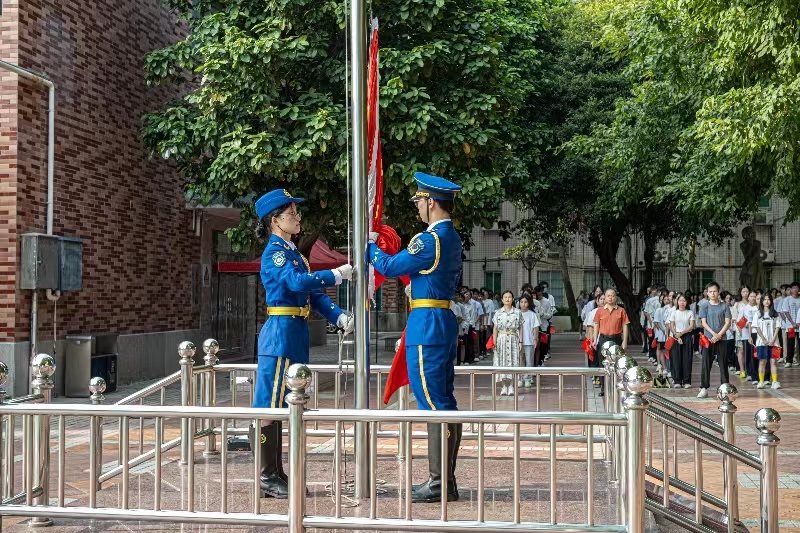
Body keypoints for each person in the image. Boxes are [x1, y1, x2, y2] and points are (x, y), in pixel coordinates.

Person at [251, 188, 354, 499]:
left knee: (287, 405)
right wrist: (334, 274)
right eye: (291, 214)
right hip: (280, 335)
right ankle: (267, 476)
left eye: (296, 212)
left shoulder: (294, 253)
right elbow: (296, 283)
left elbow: (313, 295)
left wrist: (338, 316)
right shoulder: (276, 253)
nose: (297, 218)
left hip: (294, 333)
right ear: (275, 221)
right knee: (269, 406)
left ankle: (278, 472)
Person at [367, 172, 463, 503]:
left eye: (420, 201)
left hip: (428, 324)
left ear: (431, 202)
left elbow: (392, 266)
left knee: (433, 403)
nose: (418, 207)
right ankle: (445, 481)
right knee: (444, 402)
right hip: (441, 320)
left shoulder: (430, 239)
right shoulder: (452, 237)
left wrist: (371, 248)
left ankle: (439, 482)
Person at [592, 288, 630, 396]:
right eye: (608, 296)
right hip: (603, 339)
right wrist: (595, 339)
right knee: (602, 364)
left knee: (617, 364)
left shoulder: (621, 310)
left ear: (616, 297)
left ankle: (616, 387)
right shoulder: (600, 311)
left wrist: (625, 341)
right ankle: (604, 388)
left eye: (613, 296)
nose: (610, 298)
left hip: (616, 339)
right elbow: (596, 325)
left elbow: (625, 326)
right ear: (605, 297)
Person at [698, 282, 731, 399]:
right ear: (707, 293)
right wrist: (713, 334)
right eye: (710, 291)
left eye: (714, 291)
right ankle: (704, 388)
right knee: (706, 363)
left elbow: (727, 322)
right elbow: (703, 322)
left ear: (718, 292)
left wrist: (719, 335)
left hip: (722, 339)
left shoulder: (724, 306)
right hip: (708, 339)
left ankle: (725, 388)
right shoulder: (704, 306)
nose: (712, 293)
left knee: (723, 364)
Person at [492, 291, 524, 396]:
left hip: (513, 339)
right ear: (502, 299)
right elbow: (495, 328)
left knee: (514, 362)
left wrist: (521, 341)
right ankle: (503, 386)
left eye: (509, 297)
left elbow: (520, 328)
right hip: (501, 339)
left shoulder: (517, 312)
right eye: (505, 297)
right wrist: (494, 342)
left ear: (513, 299)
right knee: (501, 362)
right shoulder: (498, 312)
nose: (507, 299)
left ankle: (511, 386)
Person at [753, 293, 781, 389]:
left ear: (771, 301)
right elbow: (757, 327)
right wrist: (764, 339)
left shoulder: (775, 314)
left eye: (768, 299)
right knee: (762, 362)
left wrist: (773, 339)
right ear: (762, 301)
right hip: (761, 342)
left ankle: (775, 382)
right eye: (764, 299)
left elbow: (777, 327)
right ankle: (761, 381)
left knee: (773, 362)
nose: (766, 301)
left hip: (774, 342)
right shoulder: (758, 314)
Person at [670, 294, 695, 389]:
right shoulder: (674, 312)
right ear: (677, 302)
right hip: (676, 337)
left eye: (684, 301)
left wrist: (681, 333)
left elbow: (691, 326)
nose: (682, 303)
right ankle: (677, 381)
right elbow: (671, 325)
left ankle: (687, 381)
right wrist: (677, 335)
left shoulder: (690, 312)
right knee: (676, 359)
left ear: (686, 302)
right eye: (680, 301)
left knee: (687, 359)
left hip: (687, 336)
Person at [519, 294, 541, 383]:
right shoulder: (516, 313)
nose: (523, 304)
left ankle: (528, 378)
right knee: (520, 359)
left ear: (529, 303)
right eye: (521, 302)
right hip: (518, 342)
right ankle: (520, 378)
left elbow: (536, 328)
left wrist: (535, 339)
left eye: (525, 302)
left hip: (529, 341)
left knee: (529, 360)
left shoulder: (532, 314)